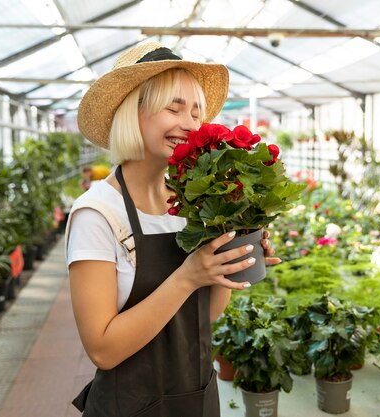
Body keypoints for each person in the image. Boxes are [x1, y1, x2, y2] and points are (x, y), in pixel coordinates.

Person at [65, 41, 279, 417]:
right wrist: (188, 276)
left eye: (196, 111)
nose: (190, 123)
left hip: (195, 397)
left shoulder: (193, 201)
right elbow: (102, 349)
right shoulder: (97, 214)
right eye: (174, 108)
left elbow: (202, 315)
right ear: (134, 113)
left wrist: (232, 254)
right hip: (130, 406)